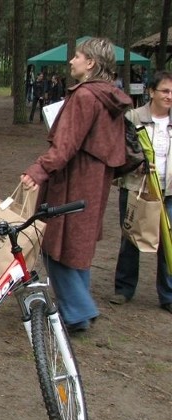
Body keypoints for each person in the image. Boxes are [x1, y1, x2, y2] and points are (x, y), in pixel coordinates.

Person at [20, 37, 133, 334]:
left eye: (78, 56)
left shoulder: (85, 96)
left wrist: (38, 169)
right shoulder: (110, 95)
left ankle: (79, 310)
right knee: (77, 248)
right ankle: (77, 314)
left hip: (74, 180)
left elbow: (66, 145)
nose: (72, 61)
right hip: (95, 181)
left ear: (91, 63)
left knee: (55, 245)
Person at [111, 70, 172, 312]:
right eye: (165, 91)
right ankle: (124, 288)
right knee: (131, 237)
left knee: (168, 240)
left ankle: (168, 294)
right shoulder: (133, 117)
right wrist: (137, 165)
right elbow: (122, 151)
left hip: (168, 191)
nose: (170, 96)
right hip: (137, 188)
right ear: (151, 92)